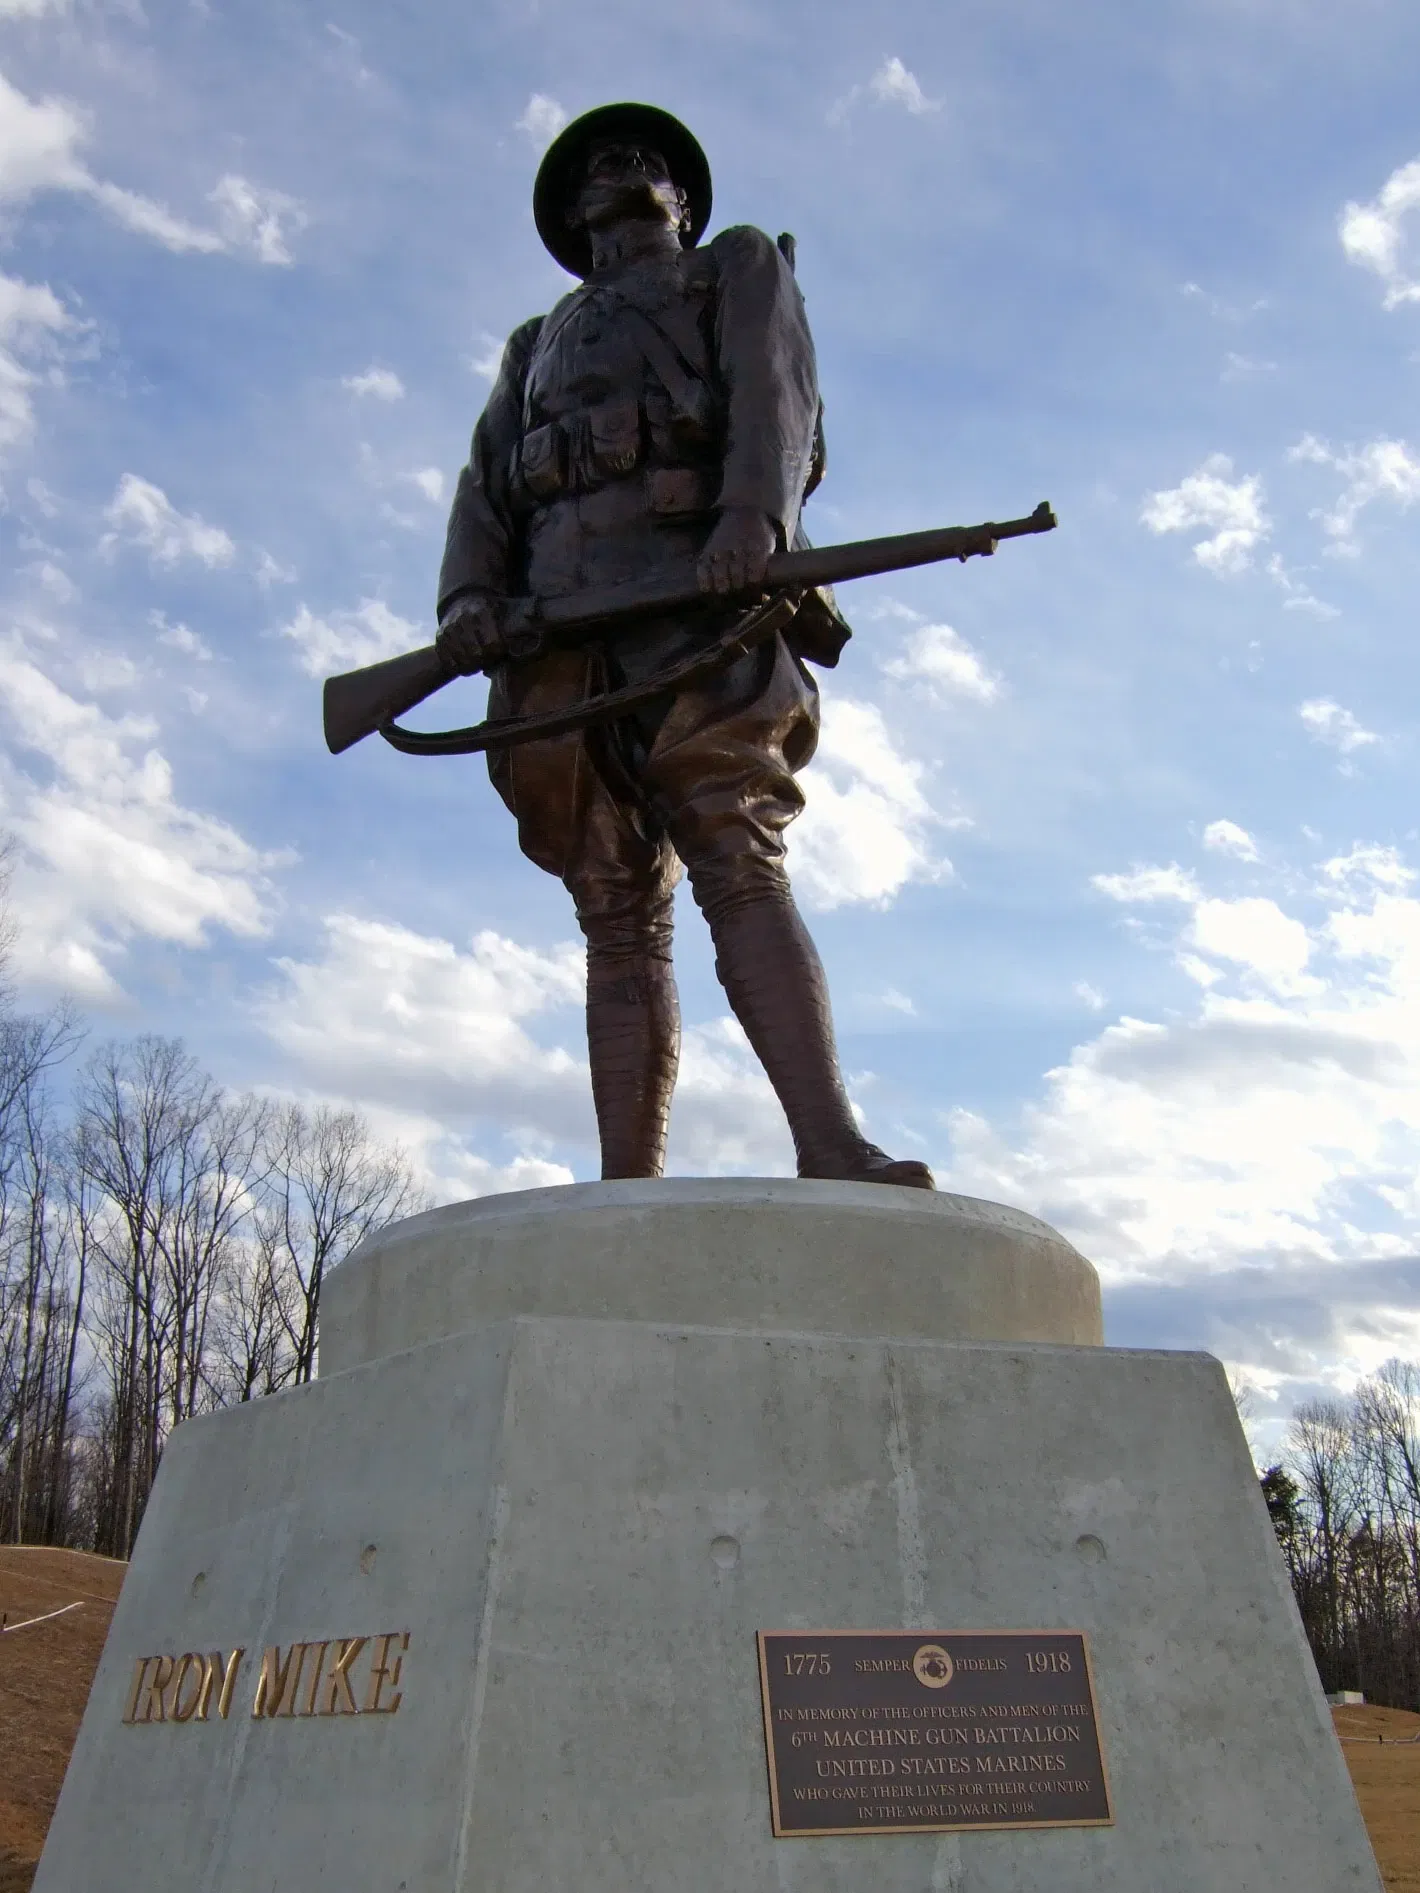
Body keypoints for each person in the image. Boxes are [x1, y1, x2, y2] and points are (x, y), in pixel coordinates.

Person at [435, 102, 933, 1190]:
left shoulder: (734, 268)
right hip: (556, 639)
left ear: (684, 203)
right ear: (572, 218)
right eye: (599, 169)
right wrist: (469, 598)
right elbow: (486, 483)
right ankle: (627, 1186)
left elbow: (774, 391)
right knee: (613, 912)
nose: (622, 171)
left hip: (694, 601)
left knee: (737, 860)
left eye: (646, 163)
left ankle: (828, 1143)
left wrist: (751, 520)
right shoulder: (535, 343)